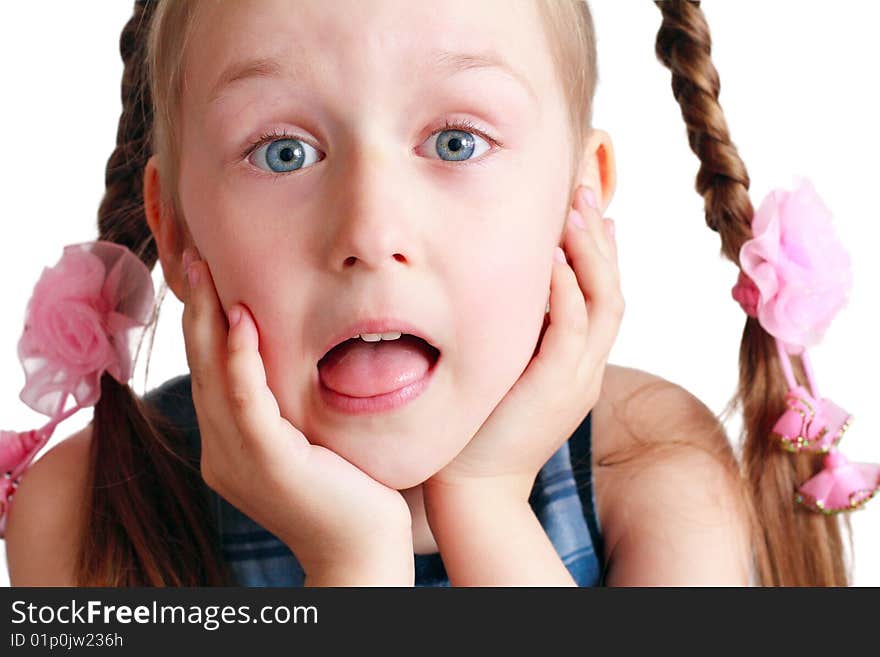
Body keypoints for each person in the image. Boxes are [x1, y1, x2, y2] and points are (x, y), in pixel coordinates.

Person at [1, 0, 871, 587]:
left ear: (580, 201)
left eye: (456, 141)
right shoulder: (89, 513)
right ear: (181, 227)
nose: (370, 231)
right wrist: (353, 565)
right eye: (283, 152)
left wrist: (487, 503)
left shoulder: (650, 467)